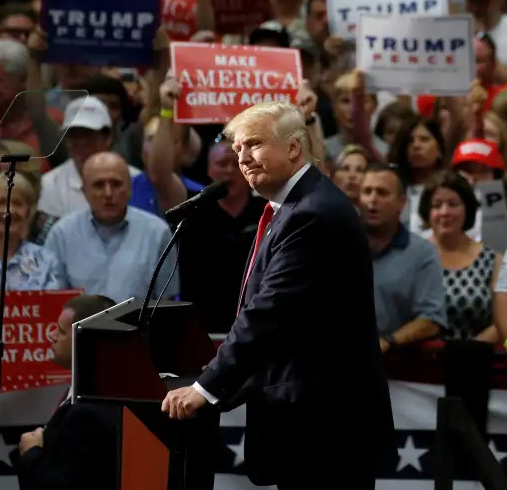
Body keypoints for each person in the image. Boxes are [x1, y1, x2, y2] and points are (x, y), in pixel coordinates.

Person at [161, 87, 395, 490]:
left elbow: (270, 313)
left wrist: (206, 388)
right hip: (310, 423)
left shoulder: (313, 215)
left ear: (292, 148)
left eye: (254, 144)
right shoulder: (294, 206)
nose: (242, 158)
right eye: (237, 148)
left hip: (324, 429)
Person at [17, 294, 119, 490]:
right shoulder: (87, 390)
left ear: (84, 340)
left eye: (61, 332)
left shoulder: (89, 412)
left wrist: (32, 453)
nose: (51, 335)